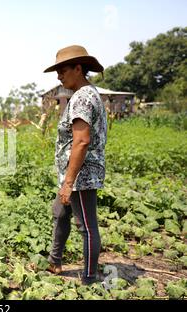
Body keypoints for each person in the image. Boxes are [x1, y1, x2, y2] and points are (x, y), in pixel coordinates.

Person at [43, 45, 107, 285]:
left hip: (81, 174)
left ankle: (90, 278)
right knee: (60, 213)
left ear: (78, 69)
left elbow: (81, 141)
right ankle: (54, 262)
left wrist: (69, 182)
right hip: (73, 173)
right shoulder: (86, 94)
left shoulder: (82, 97)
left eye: (62, 70)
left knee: (86, 226)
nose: (59, 76)